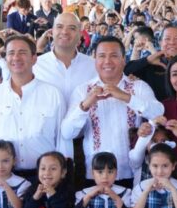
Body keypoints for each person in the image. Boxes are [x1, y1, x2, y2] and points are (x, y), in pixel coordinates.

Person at [63, 37, 163, 183]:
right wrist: (85, 105)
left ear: (123, 59)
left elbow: (158, 112)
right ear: (95, 60)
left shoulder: (138, 87)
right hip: (95, 175)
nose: (107, 61)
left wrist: (126, 97)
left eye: (114, 56)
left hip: (131, 173)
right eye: (102, 56)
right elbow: (67, 132)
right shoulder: (82, 91)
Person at [0, 35, 68, 183]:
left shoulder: (53, 94)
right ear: (5, 58)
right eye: (11, 53)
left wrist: (62, 179)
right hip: (5, 177)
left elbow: (62, 140)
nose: (16, 57)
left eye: (22, 52)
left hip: (44, 178)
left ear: (34, 58)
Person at [125, 24, 177, 100]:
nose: (172, 42)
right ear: (160, 43)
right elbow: (126, 72)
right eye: (167, 39)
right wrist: (148, 59)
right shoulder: (150, 65)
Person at [34, 12, 98, 107]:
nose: (64, 32)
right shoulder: (36, 66)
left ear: (80, 34)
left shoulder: (93, 66)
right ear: (52, 31)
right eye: (59, 27)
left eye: (72, 28)